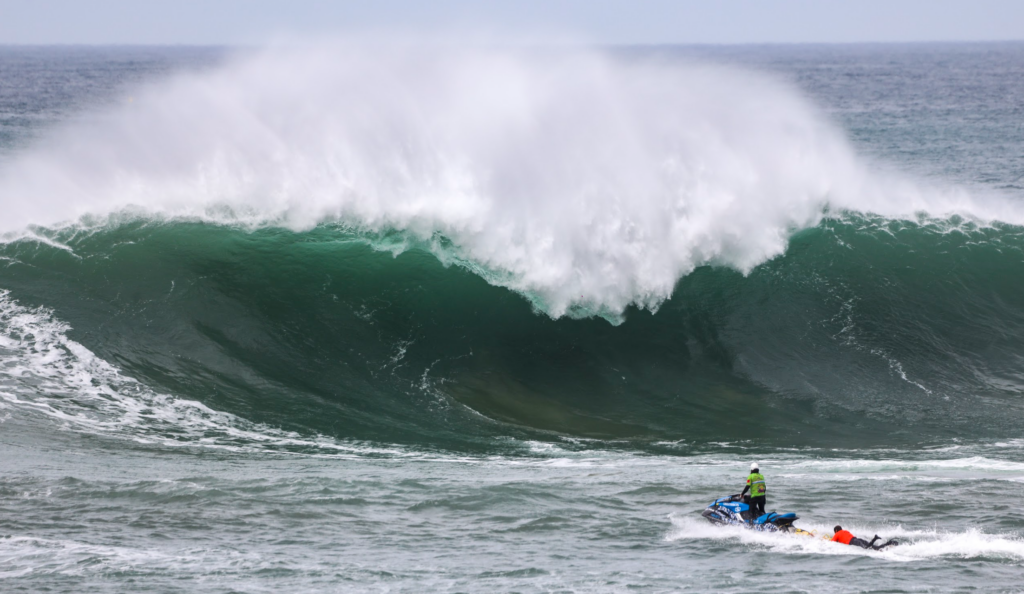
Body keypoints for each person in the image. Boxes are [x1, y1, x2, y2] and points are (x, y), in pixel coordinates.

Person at [831, 526, 898, 550]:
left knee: (867, 548)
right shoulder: (845, 531)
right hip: (857, 539)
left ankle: (875, 538)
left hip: (853, 542)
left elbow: (831, 542)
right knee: (876, 547)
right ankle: (889, 543)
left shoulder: (837, 533)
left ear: (836, 530)